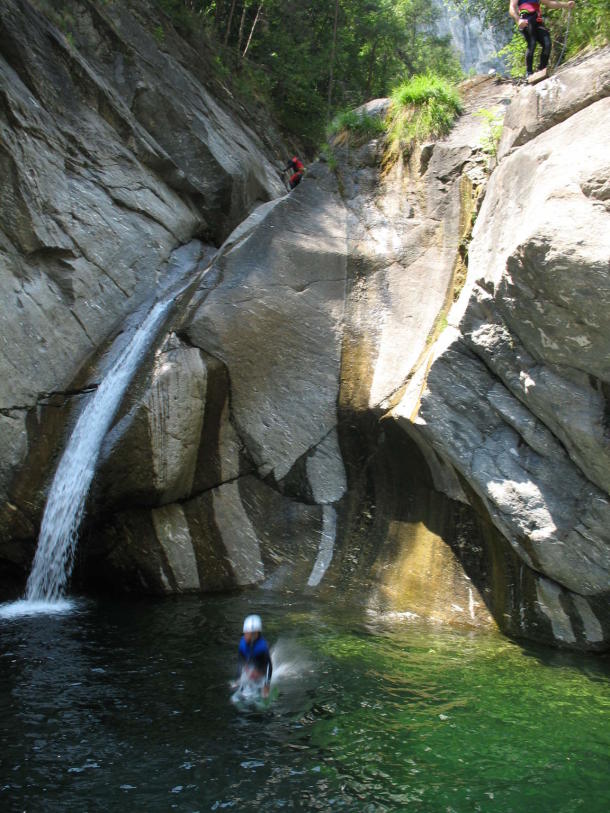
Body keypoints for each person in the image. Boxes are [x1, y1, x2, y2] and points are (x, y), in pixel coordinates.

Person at [508, 0, 575, 79]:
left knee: (547, 44)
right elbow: (512, 7)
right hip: (526, 21)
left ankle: (542, 70)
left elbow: (549, 3)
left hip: (537, 21)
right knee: (532, 43)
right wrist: (518, 19)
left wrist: (566, 5)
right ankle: (529, 73)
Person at [238, 614, 272, 697]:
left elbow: (269, 665)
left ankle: (261, 685)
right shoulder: (242, 643)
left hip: (261, 667)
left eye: (251, 634)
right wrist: (239, 678)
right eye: (246, 633)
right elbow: (240, 661)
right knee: (247, 672)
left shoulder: (262, 646)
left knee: (257, 675)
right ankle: (246, 687)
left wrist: (267, 684)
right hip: (250, 664)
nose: (247, 636)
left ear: (257, 634)